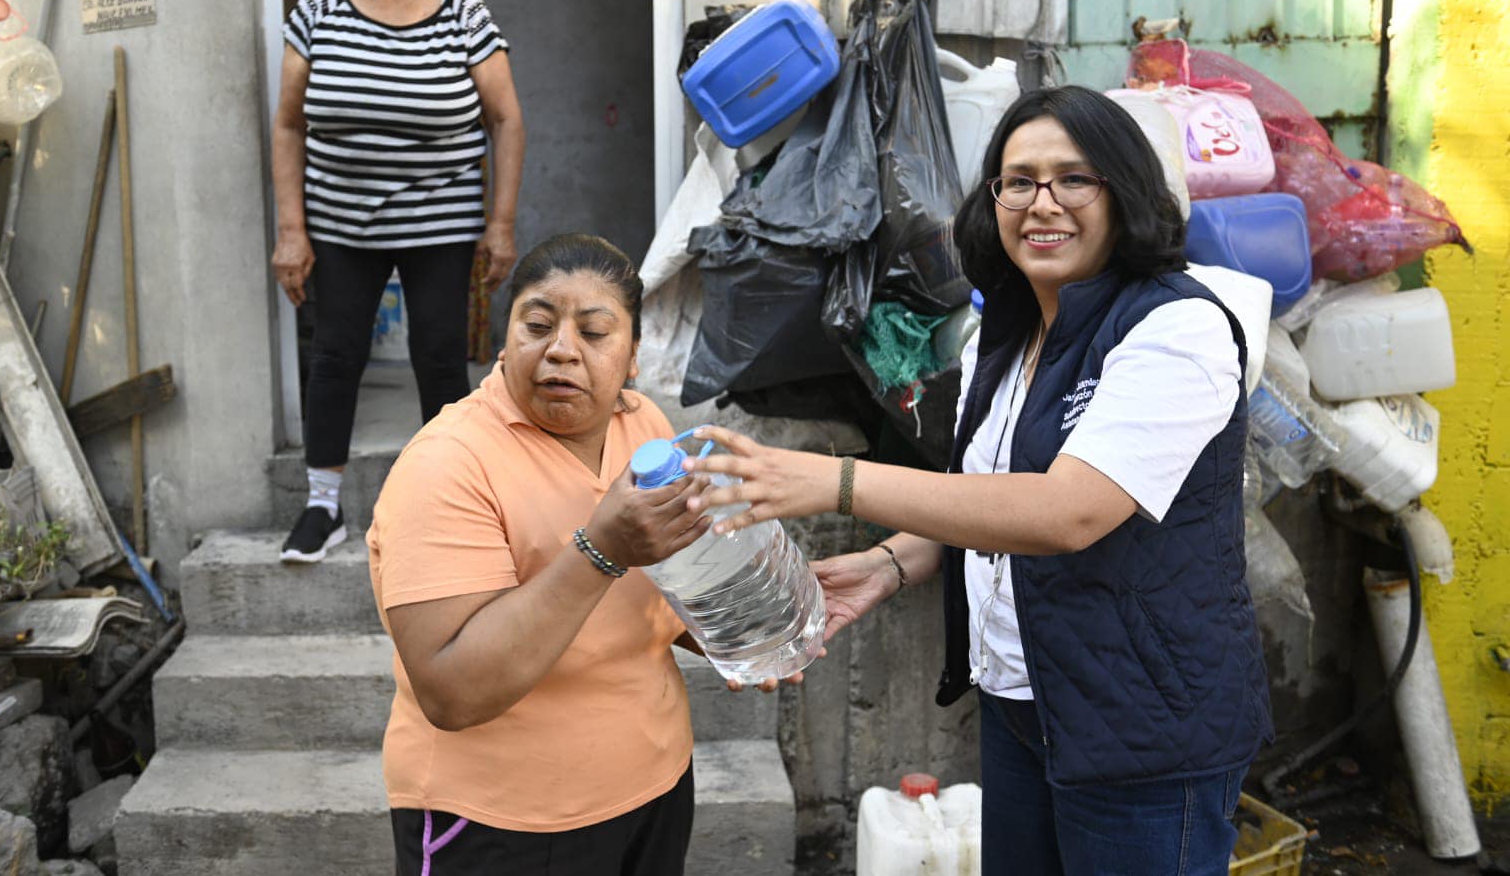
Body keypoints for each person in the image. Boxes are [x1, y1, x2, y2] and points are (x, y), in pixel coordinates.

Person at [685, 86, 1273, 875]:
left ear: (1124, 192)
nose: (1042, 203)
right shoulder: (1009, 334)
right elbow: (990, 490)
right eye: (1018, 180)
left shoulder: (1175, 328)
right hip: (1025, 704)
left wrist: (836, 482)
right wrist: (892, 562)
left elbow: (1068, 511)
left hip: (1145, 725)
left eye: (1074, 179)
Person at [367, 233, 728, 876]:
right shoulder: (447, 464)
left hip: (655, 783)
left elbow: (666, 590)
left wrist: (747, 629)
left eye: (594, 332)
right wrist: (599, 552)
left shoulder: (641, 426)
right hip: (500, 821)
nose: (560, 349)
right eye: (537, 325)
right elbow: (450, 693)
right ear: (506, 339)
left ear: (634, 357)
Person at [271, 0, 525, 562]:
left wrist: (498, 223)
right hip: (341, 219)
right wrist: (292, 230)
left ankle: (456, 504)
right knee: (335, 354)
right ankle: (324, 507)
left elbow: (506, 118)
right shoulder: (317, 9)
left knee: (440, 356)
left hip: (440, 218)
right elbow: (289, 124)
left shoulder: (460, 6)